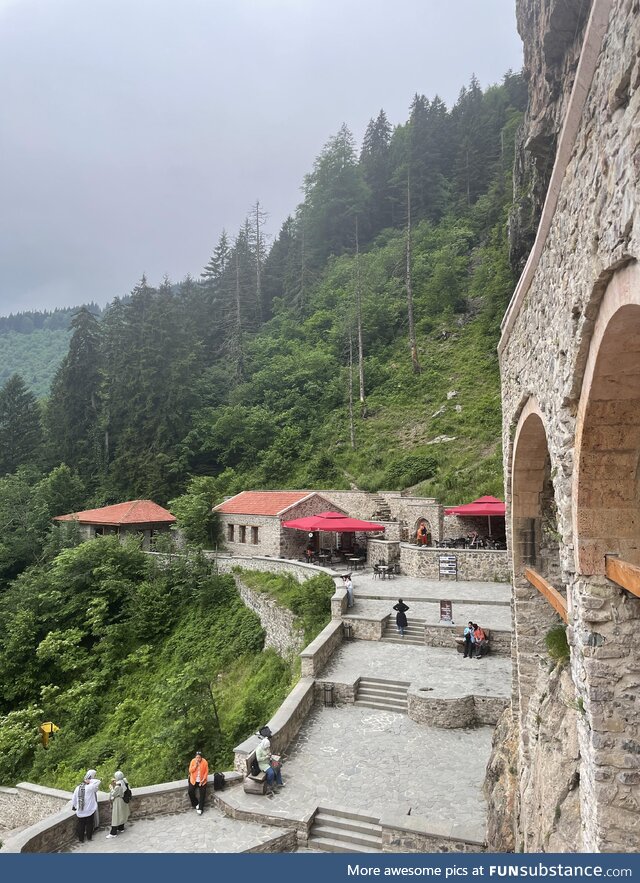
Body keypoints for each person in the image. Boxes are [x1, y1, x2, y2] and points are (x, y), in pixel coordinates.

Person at [71, 769, 101, 843]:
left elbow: (74, 799)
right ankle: (89, 837)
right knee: (89, 824)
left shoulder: (77, 788)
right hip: (89, 810)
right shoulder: (90, 787)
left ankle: (81, 839)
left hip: (80, 810)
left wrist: (75, 806)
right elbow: (98, 781)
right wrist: (90, 780)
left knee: (81, 824)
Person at [106, 770, 130, 838]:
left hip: (118, 801)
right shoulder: (125, 782)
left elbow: (114, 794)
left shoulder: (117, 786)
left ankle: (113, 833)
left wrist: (111, 788)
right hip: (124, 801)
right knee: (122, 814)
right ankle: (121, 828)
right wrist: (116, 781)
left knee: (115, 816)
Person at [188, 750, 209, 815]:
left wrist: (203, 779)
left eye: (199, 757)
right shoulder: (193, 761)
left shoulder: (204, 762)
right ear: (195, 757)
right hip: (194, 780)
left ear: (201, 757)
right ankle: (196, 803)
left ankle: (200, 808)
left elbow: (206, 771)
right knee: (190, 791)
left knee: (202, 794)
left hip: (202, 780)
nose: (198, 759)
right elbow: (190, 770)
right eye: (197, 757)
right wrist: (195, 766)